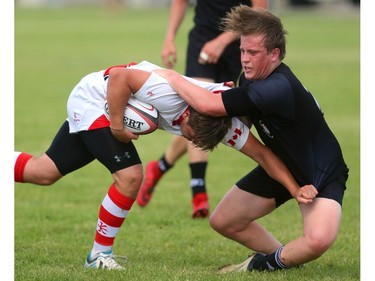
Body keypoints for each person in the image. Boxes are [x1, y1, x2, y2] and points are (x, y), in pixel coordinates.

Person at [14, 60, 315, 270]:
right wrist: (117, 127)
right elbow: (119, 77)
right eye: (189, 135)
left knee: (43, 172)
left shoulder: (223, 123)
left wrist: (295, 188)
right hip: (94, 98)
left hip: (104, 105)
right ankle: (98, 256)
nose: (190, 141)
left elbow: (263, 155)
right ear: (186, 116)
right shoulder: (169, 95)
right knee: (131, 176)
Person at [152, 6, 349, 272]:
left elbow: (210, 106)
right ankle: (285, 257)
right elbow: (239, 121)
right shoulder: (249, 79)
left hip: (320, 170)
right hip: (280, 163)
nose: (244, 59)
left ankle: (259, 265)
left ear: (275, 53)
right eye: (242, 51)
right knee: (223, 220)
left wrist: (170, 77)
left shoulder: (276, 87)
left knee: (318, 240)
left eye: (253, 53)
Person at [137, 0, 268, 219]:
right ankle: (199, 191)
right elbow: (180, 2)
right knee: (200, 112)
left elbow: (260, 10)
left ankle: (160, 166)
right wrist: (169, 37)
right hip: (201, 42)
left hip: (238, 47)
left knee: (215, 120)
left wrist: (223, 40)